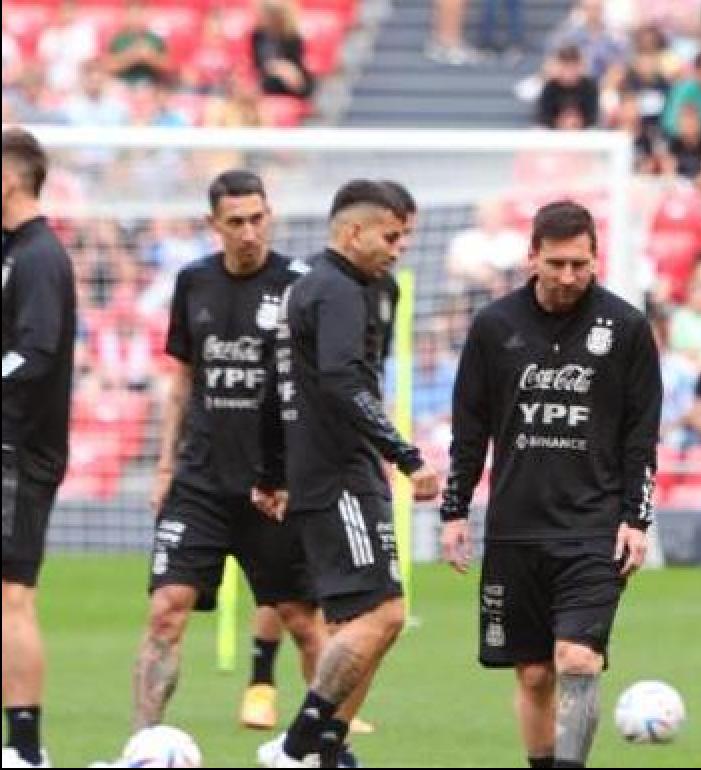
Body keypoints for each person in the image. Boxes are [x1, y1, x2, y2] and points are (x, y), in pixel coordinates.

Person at [439, 200, 662, 769]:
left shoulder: (628, 328)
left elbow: (642, 435)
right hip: (516, 527)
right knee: (534, 672)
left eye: (580, 264)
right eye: (557, 263)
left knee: (578, 660)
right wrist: (454, 510)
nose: (568, 277)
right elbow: (471, 427)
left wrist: (637, 520)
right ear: (532, 256)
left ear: (596, 259)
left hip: (593, 528)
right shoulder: (494, 327)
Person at [112, 171, 327, 745]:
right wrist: (164, 466)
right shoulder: (193, 282)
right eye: (236, 222)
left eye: (258, 218)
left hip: (272, 486)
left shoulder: (299, 285)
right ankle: (142, 746)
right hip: (200, 481)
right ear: (214, 226)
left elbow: (316, 385)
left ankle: (329, 748)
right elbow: (182, 379)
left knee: (304, 624)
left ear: (270, 216)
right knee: (166, 611)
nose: (249, 232)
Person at [254, 179, 439, 768]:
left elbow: (278, 388)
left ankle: (329, 752)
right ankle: (296, 747)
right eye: (390, 235)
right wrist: (405, 455)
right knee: (382, 614)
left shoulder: (311, 289)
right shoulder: (337, 291)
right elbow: (341, 381)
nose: (398, 247)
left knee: (354, 623)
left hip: (317, 473)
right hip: (339, 476)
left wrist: (274, 470)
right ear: (351, 231)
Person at [1, 127, 77, 770]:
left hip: (19, 454)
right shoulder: (13, 253)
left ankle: (25, 750)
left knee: (11, 594)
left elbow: (36, 352)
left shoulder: (39, 257)